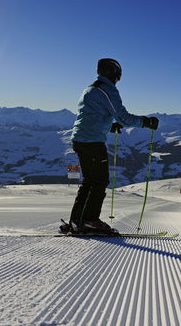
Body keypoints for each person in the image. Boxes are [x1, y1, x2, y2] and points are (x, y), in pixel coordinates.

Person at [66, 58, 159, 234]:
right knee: (99, 181)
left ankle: (77, 221)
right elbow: (123, 116)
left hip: (81, 139)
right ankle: (90, 221)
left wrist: (109, 126)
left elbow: (91, 115)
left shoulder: (91, 88)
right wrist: (146, 122)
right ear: (115, 74)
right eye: (118, 76)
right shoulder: (107, 90)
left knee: (89, 181)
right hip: (92, 141)